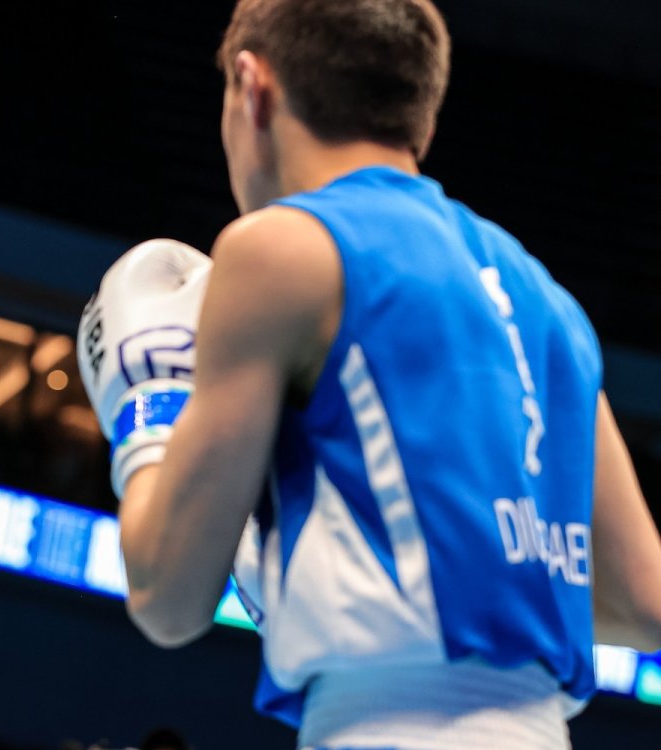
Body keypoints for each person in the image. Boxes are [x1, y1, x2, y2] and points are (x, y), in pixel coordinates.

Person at [76, 1, 661, 748]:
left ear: (252, 88)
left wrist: (147, 413)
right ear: (420, 117)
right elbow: (641, 601)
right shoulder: (546, 298)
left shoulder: (278, 250)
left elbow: (167, 600)